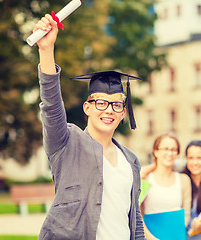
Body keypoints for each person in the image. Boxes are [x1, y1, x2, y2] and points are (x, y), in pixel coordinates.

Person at [34, 14, 144, 239]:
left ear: (123, 112)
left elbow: (135, 218)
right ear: (87, 108)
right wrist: (46, 50)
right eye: (101, 103)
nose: (109, 110)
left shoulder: (131, 159)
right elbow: (52, 106)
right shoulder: (66, 144)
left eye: (116, 105)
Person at [141, 133, 192, 240]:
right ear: (156, 152)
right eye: (165, 149)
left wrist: (177, 232)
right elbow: (138, 215)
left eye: (174, 150)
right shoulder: (145, 179)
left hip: (176, 236)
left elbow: (186, 213)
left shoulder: (184, 180)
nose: (170, 153)